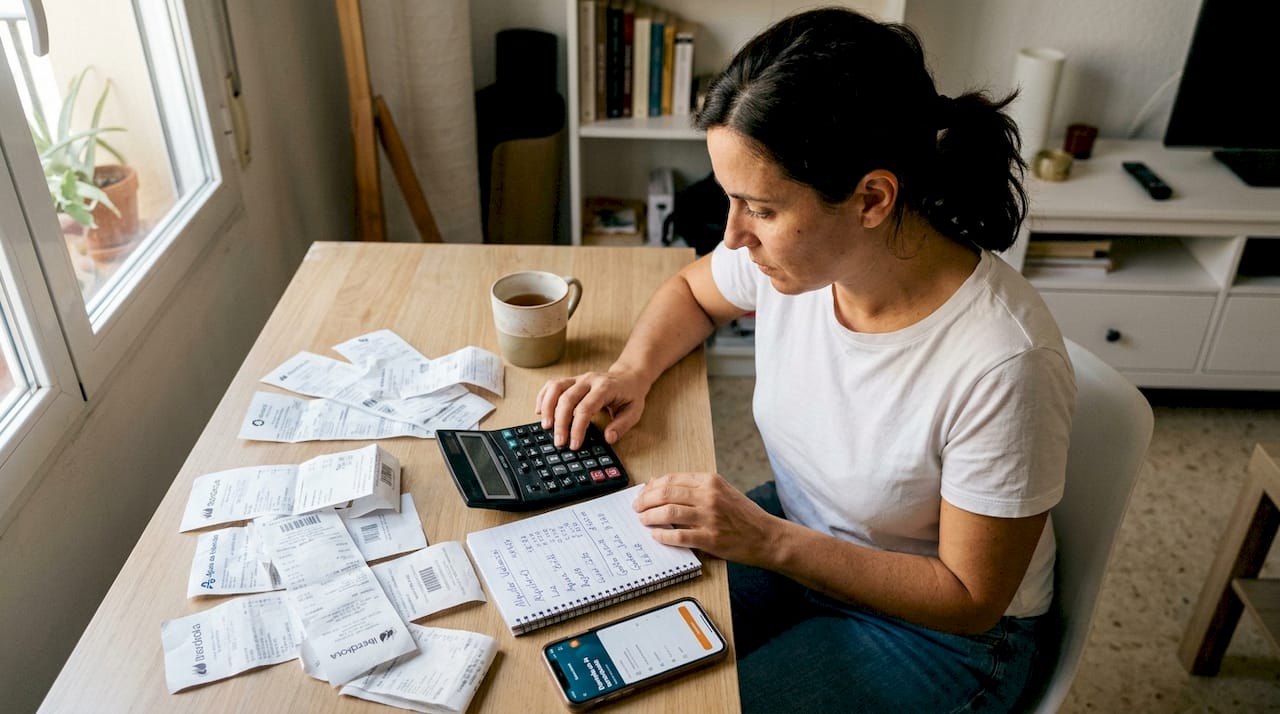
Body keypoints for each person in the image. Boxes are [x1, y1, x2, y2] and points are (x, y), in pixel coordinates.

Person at [537, 6, 1075, 712]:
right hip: (800, 534)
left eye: (757, 209)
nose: (733, 238)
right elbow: (691, 292)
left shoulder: (1006, 363)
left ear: (872, 198)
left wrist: (769, 542)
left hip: (944, 634)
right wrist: (631, 371)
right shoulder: (798, 260)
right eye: (730, 201)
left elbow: (970, 598)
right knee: (588, 641)